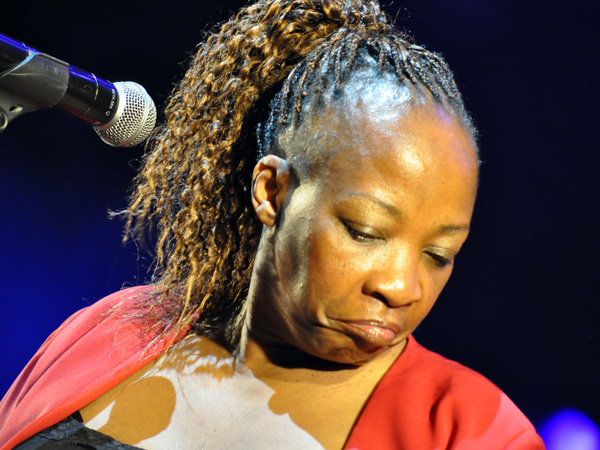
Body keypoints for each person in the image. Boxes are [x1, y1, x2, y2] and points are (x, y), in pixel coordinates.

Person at [0, 0, 545, 448]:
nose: (400, 287)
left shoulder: (474, 431)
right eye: (364, 230)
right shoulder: (109, 333)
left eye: (438, 255)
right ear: (272, 191)